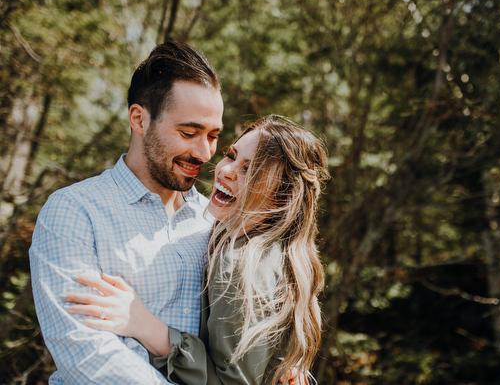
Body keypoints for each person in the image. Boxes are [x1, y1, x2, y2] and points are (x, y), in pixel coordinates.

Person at [61, 115, 329, 385]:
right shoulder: (269, 250)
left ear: (280, 198)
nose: (226, 170)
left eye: (250, 170)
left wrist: (145, 325)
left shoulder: (241, 263)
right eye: (231, 155)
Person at [29, 41, 224, 384]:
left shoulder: (213, 220)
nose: (204, 152)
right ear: (139, 119)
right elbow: (84, 351)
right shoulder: (75, 210)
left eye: (213, 136)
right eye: (189, 132)